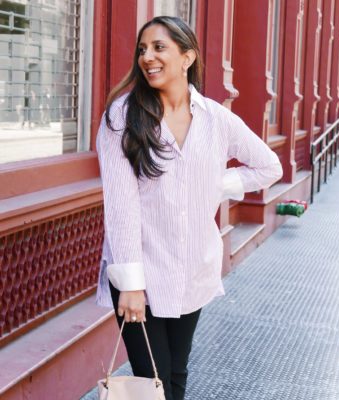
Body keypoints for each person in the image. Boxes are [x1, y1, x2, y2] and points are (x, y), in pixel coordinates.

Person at [95, 16, 283, 400]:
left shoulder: (216, 118)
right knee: (151, 382)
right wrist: (131, 285)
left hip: (193, 268)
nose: (147, 57)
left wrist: (218, 185)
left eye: (159, 47)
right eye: (142, 49)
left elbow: (269, 166)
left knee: (176, 373)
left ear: (187, 57)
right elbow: (120, 205)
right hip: (140, 273)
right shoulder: (122, 116)